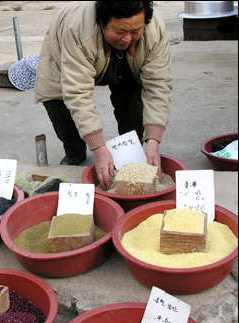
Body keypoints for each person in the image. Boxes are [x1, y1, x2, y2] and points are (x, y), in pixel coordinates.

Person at [34, 1, 174, 190]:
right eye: (119, 31)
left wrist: (153, 140)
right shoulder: (78, 30)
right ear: (101, 22)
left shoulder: (154, 29)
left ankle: (131, 148)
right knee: (57, 98)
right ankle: (75, 151)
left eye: (135, 31)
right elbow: (77, 91)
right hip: (68, 55)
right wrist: (98, 147)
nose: (126, 39)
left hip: (127, 61)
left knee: (133, 94)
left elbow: (158, 84)